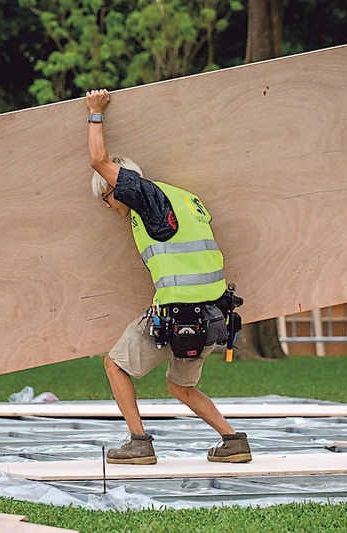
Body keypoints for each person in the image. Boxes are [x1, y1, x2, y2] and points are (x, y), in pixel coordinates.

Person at [85, 88, 251, 465]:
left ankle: (139, 442)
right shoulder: (183, 197)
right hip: (213, 315)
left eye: (106, 198)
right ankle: (233, 440)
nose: (107, 206)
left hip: (178, 314)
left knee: (115, 364)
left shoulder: (146, 197)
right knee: (180, 386)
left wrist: (96, 111)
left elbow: (97, 159)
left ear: (120, 187)